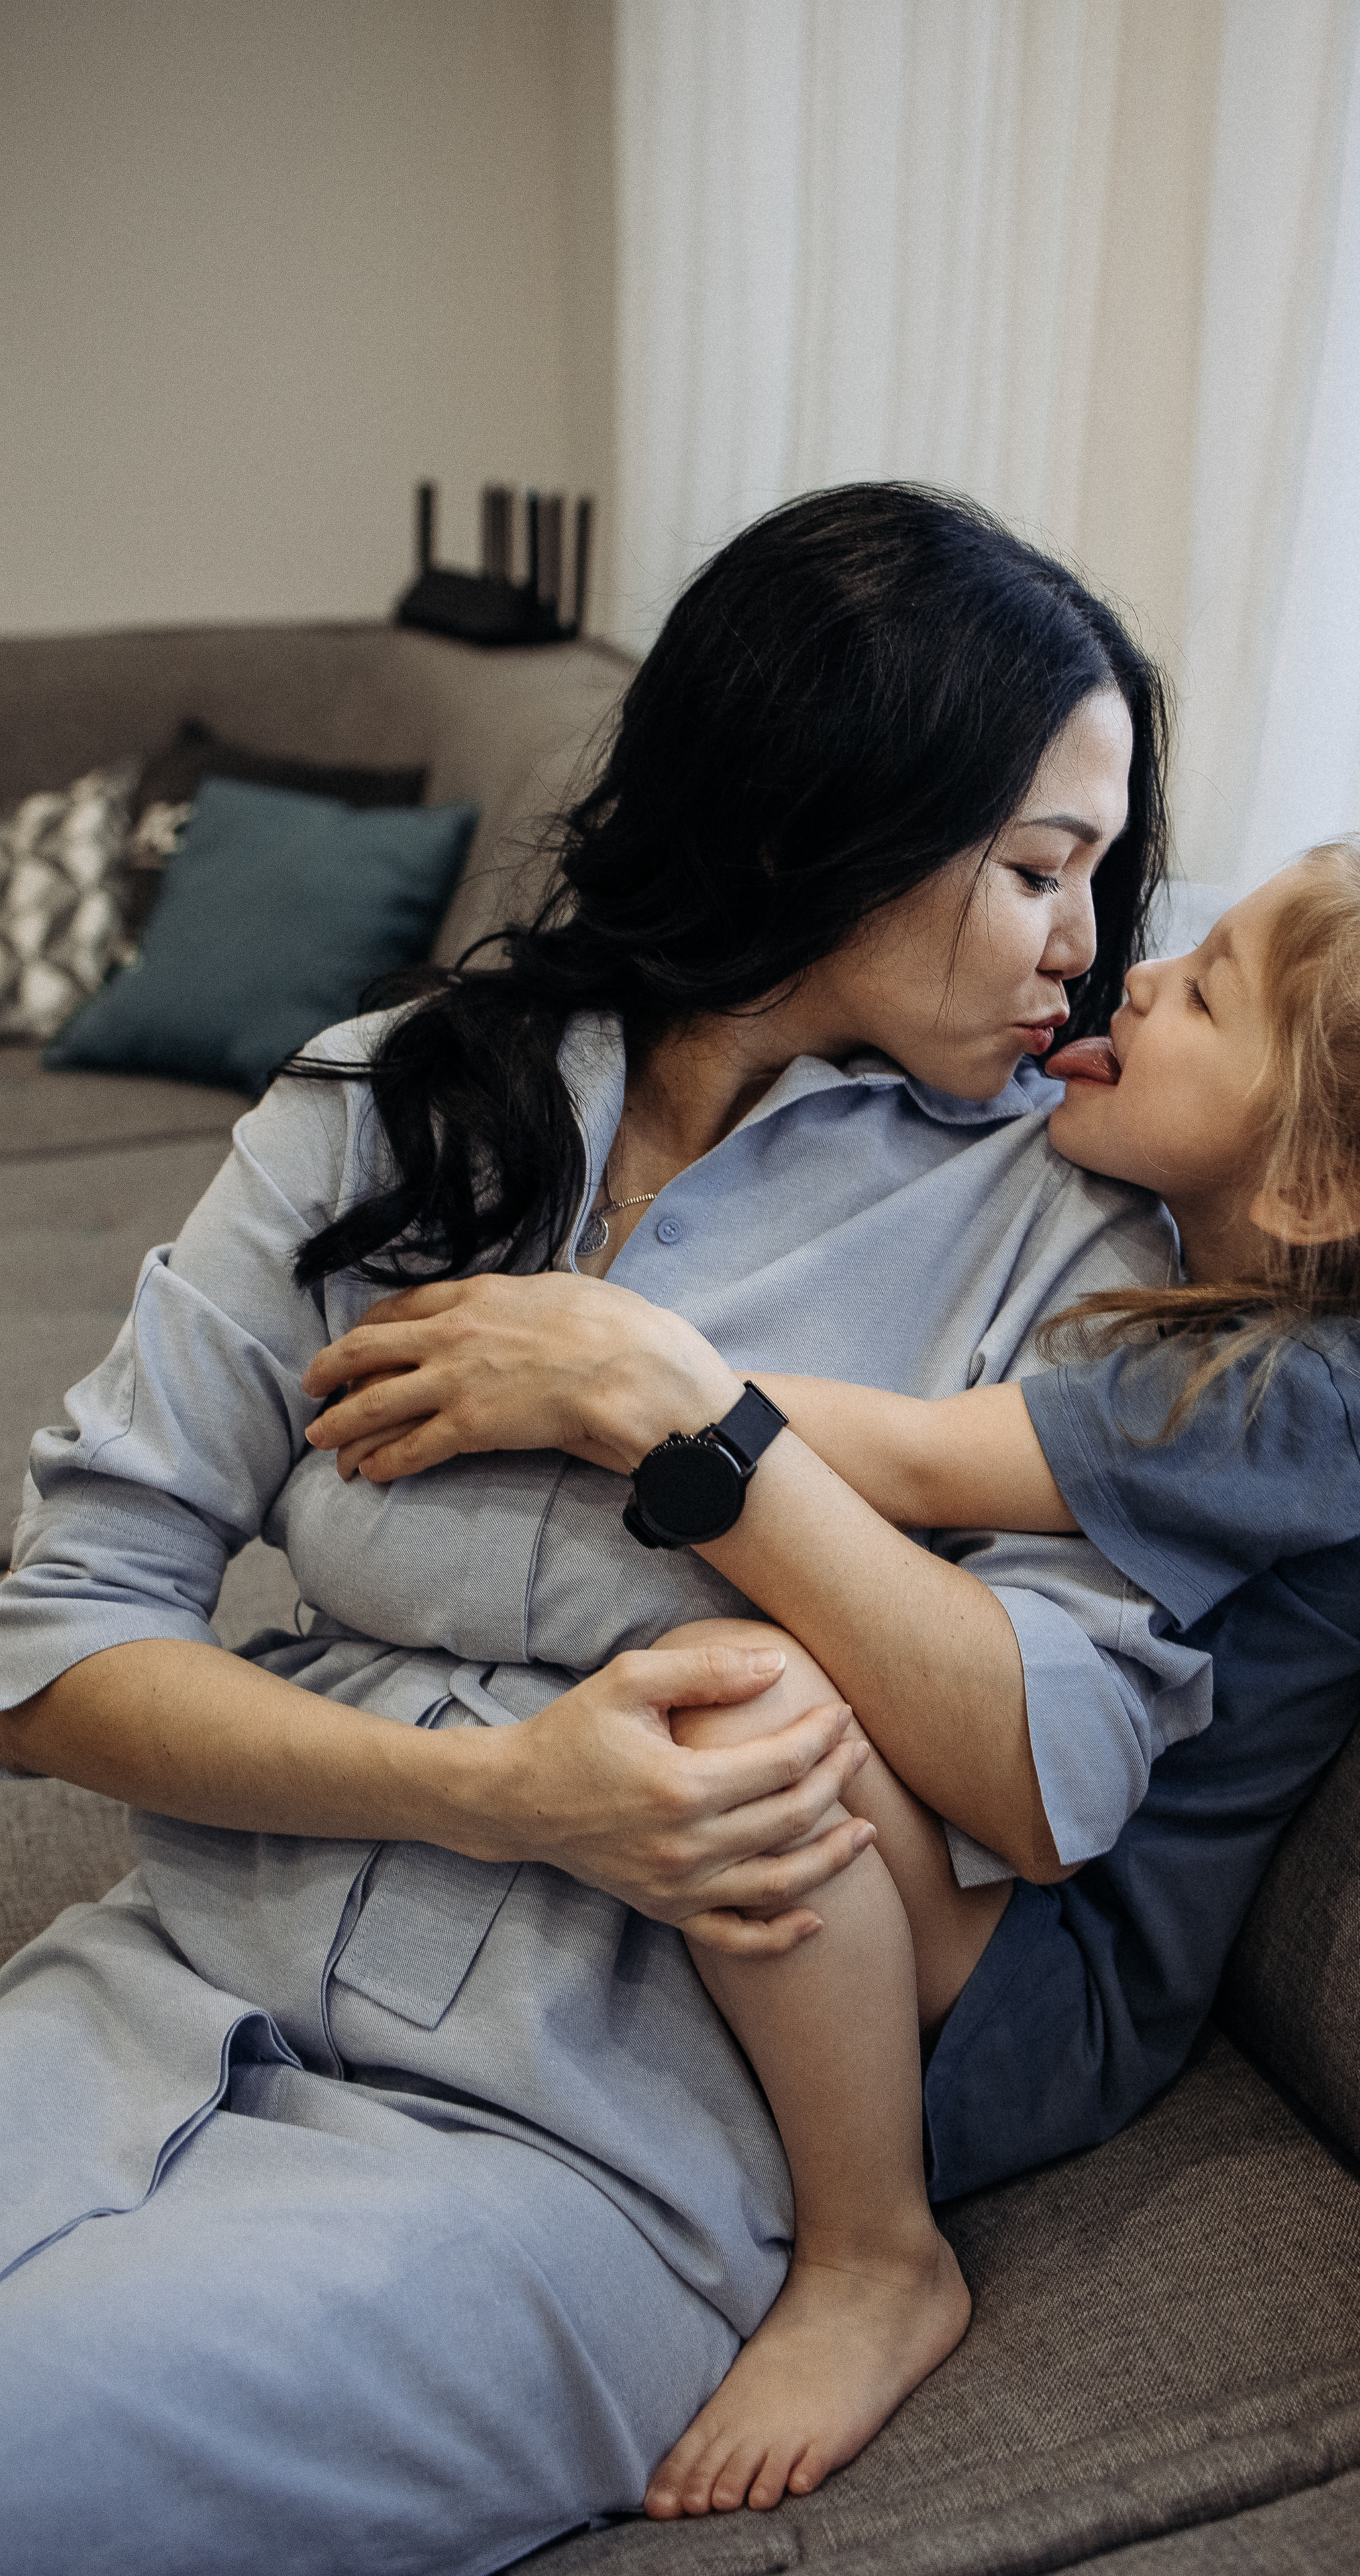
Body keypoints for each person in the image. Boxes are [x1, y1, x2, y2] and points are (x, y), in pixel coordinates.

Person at [0, 484, 1200, 2575]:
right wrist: (492, 1793)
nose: (1081, 951)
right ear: (820, 816)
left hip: (571, 2150)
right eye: (1034, 870)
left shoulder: (1072, 1238)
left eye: (1095, 879)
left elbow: (1043, 1766)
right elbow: (58, 1641)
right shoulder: (388, 1100)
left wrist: (680, 1405)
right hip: (154, 1989)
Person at [314, 837, 1360, 2519]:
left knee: (743, 1694)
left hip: (1058, 1972)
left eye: (1206, 987)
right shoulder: (1220, 1301)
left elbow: (918, 1461)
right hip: (988, 1879)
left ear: (1309, 1187)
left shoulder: (1313, 1396)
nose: (1131, 975)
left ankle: (878, 2258)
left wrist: (603, 1374)